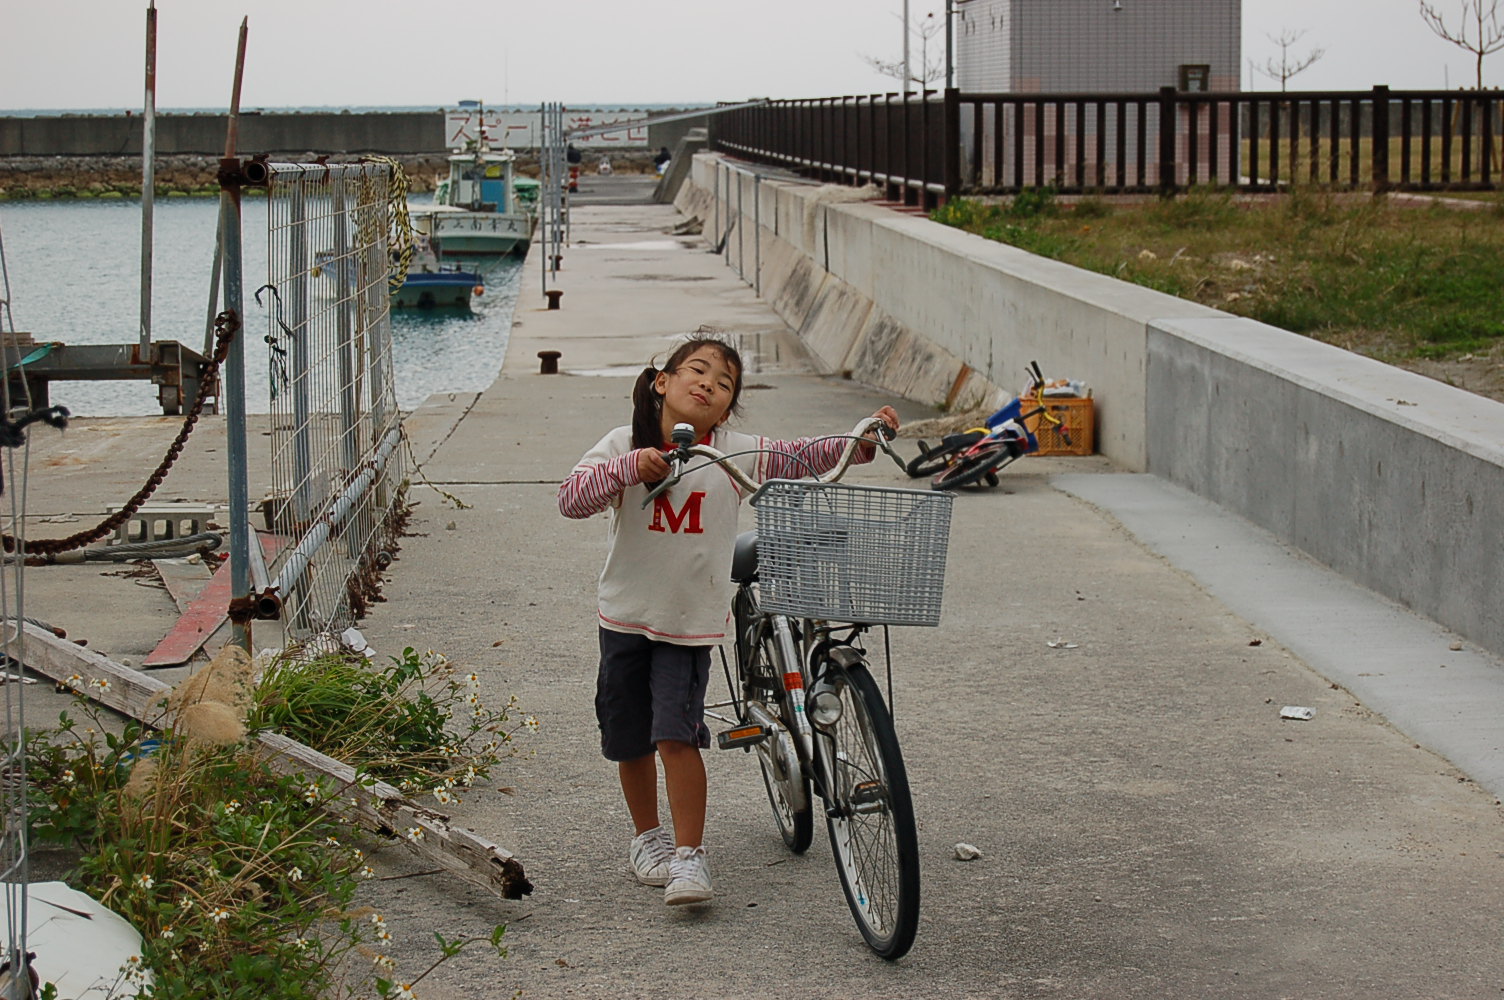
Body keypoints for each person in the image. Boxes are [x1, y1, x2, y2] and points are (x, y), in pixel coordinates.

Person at [557, 335, 899, 907]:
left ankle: (689, 855)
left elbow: (800, 456)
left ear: (725, 410)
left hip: (689, 625)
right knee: (628, 738)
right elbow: (571, 499)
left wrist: (859, 441)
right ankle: (648, 837)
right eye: (697, 371)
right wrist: (628, 468)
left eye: (723, 384)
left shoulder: (734, 452)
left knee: (676, 735)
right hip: (625, 618)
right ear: (662, 381)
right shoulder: (624, 443)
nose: (708, 385)